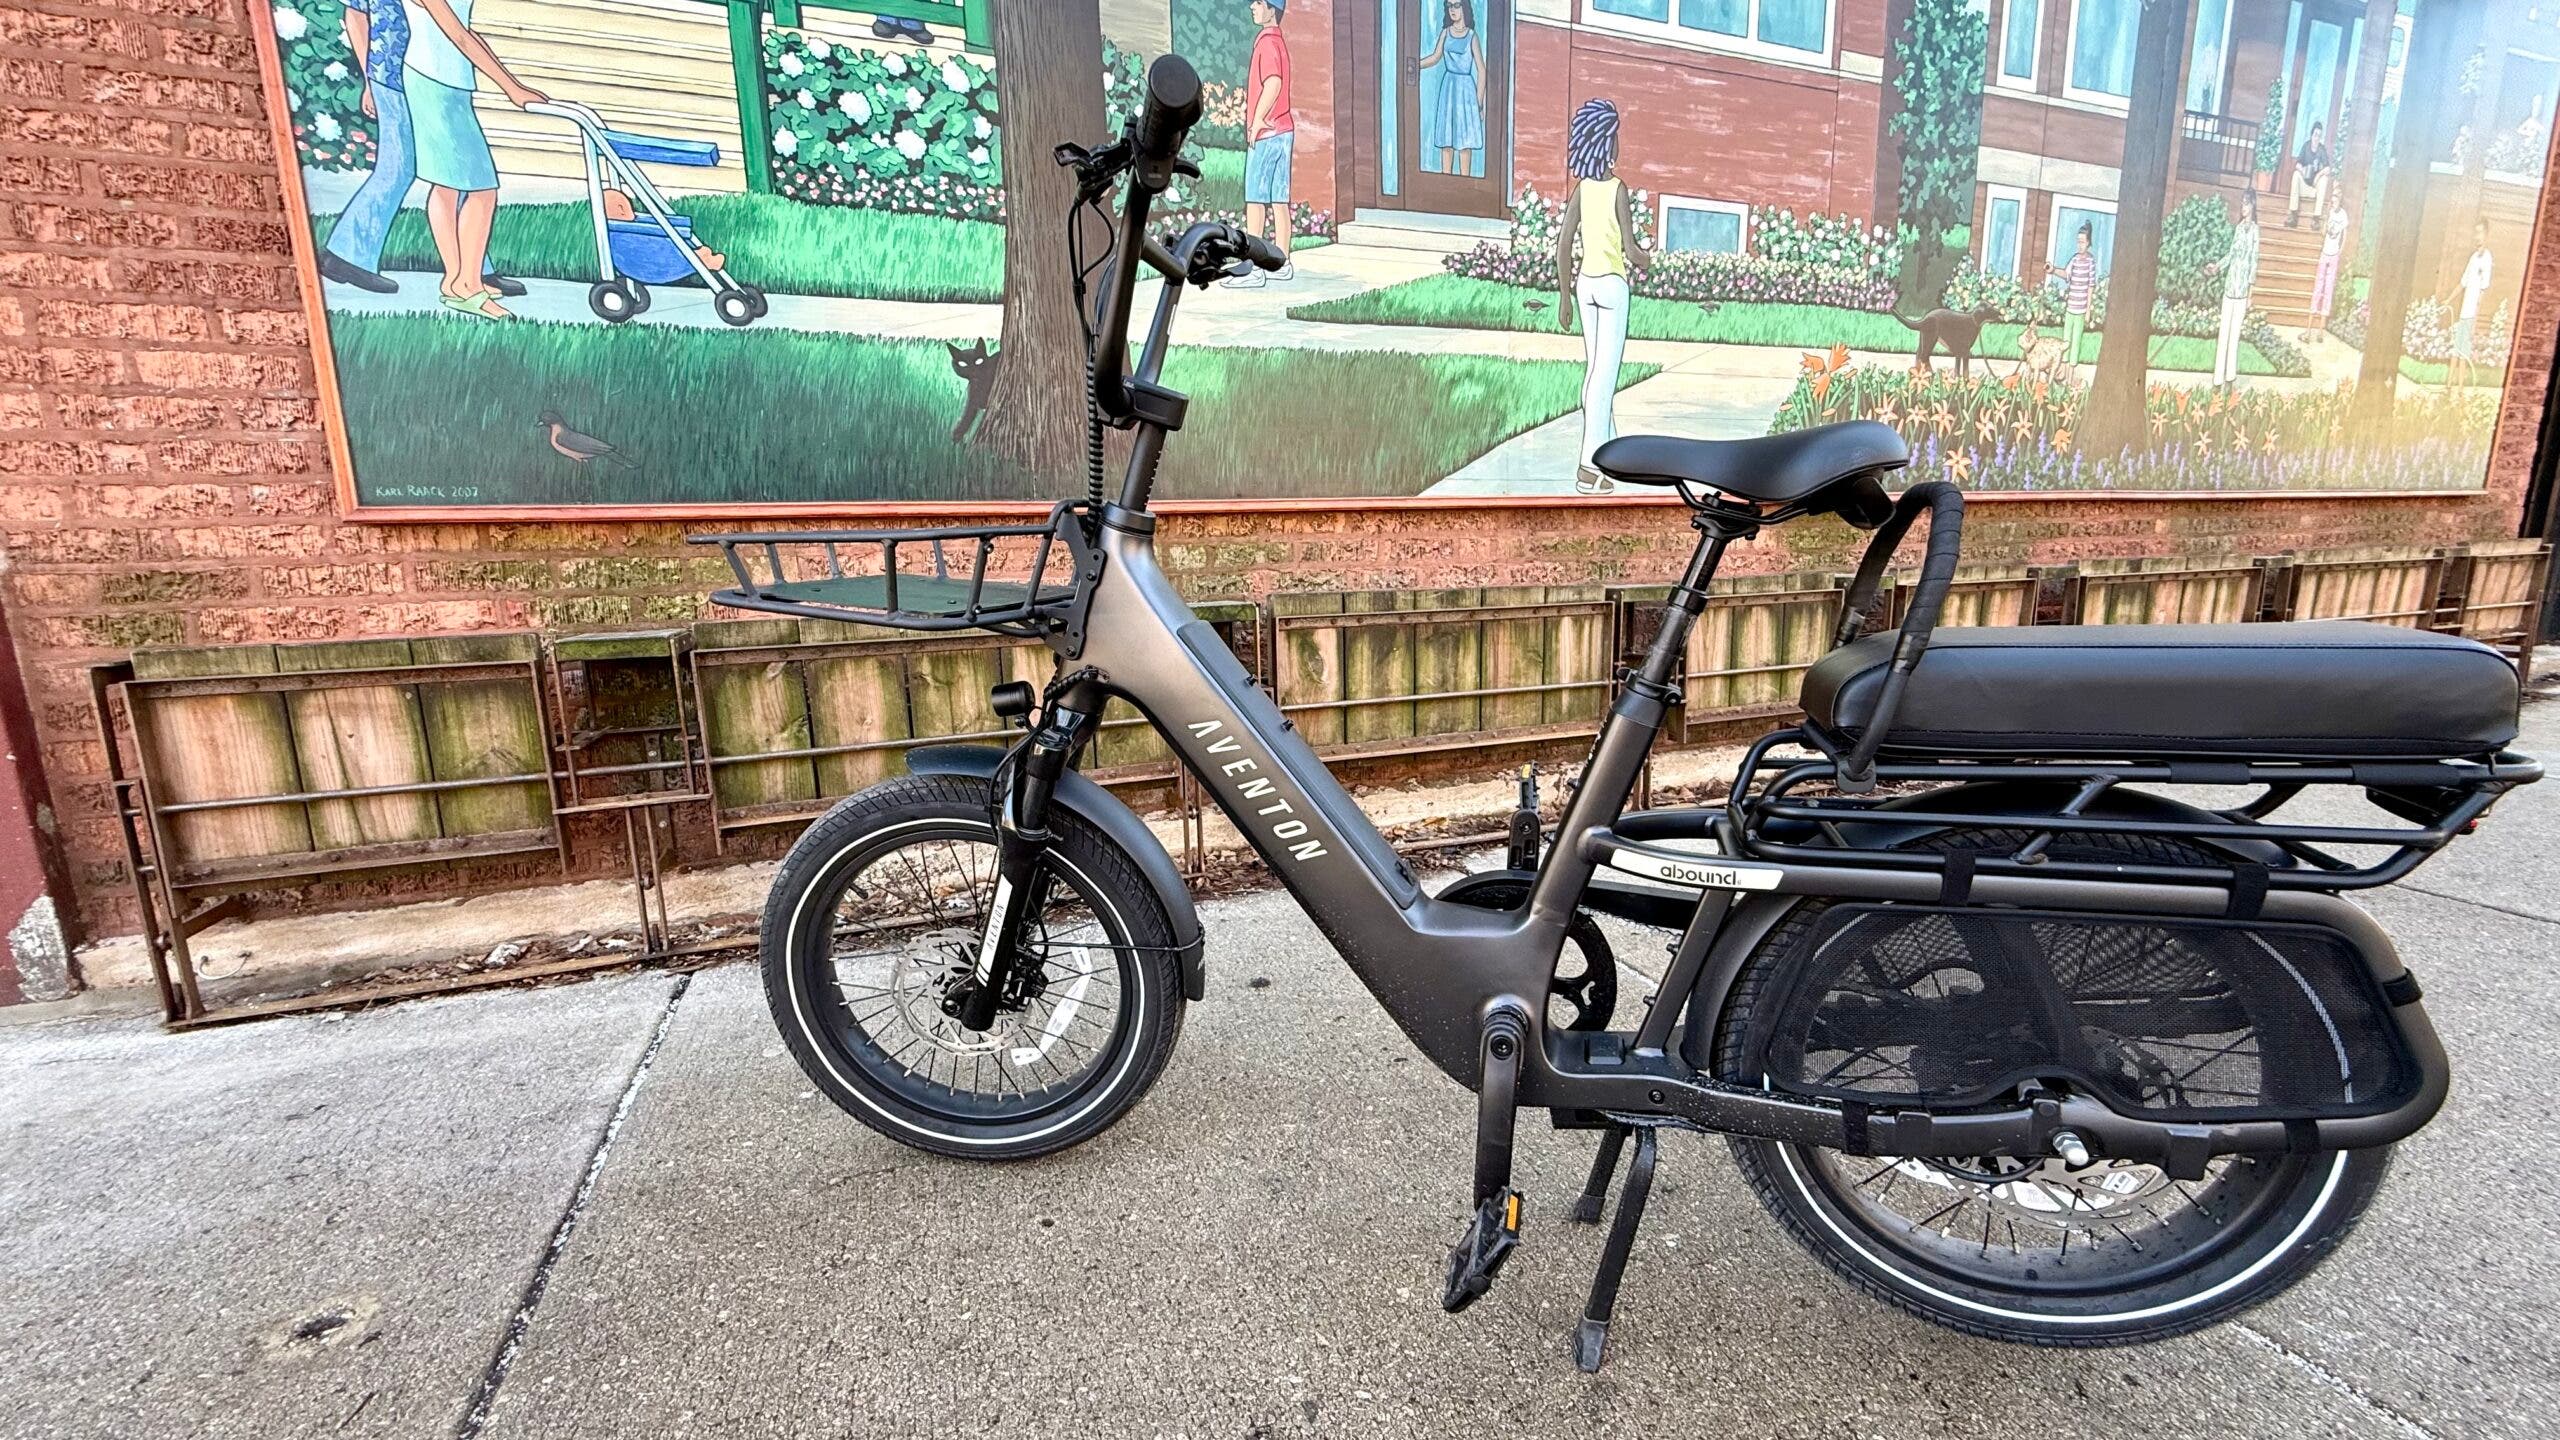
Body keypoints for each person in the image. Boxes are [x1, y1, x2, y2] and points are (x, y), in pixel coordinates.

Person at [402, 0, 545, 319]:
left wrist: (513, 85)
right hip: (435, 81)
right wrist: (512, 88)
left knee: (447, 186)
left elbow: (466, 32)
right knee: (482, 189)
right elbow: (459, 37)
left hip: (446, 81)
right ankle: (467, 284)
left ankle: (456, 281)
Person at [1554, 99, 1641, 496]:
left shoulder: (1582, 190)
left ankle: (1613, 460)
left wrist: (1564, 298)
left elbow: (1563, 245)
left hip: (1584, 286)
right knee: (1603, 379)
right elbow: (1630, 248)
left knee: (1594, 374)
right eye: (1616, 137)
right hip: (1611, 287)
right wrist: (1651, 261)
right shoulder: (1616, 190)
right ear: (1606, 144)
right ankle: (1589, 467)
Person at [1221, 0, 1295, 290]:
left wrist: (1257, 120)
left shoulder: (1265, 42)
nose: (1252, 6)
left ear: (1272, 9)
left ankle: (1253, 266)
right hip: (1285, 130)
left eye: (1259, 2)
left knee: (1255, 199)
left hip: (1267, 132)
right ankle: (1282, 262)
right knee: (1279, 200)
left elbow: (1273, 83)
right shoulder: (1279, 41)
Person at [1417, 0, 1485, 177]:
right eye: (1449, 6)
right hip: (1449, 88)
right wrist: (1413, 65)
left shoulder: (1471, 36)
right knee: (1446, 139)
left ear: (1465, 8)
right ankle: (1445, 181)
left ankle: (1465, 184)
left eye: (1456, 5)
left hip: (1466, 91)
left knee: (1465, 142)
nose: (1452, 10)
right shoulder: (1445, 33)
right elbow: (1435, 57)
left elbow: (1482, 70)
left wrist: (1478, 105)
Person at [2209, 189, 2260, 388]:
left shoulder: (2255, 231)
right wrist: (2217, 267)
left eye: (2247, 204)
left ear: (2253, 205)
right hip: (2229, 288)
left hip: (2241, 293)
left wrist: (2250, 294)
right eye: (2242, 204)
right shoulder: (2238, 228)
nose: (2243, 207)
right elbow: (2231, 255)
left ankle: (2230, 378)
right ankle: (2217, 380)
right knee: (2223, 335)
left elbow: (2254, 262)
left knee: (2234, 336)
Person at [2046, 222, 2099, 374]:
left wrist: (2088, 309)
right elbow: (2066, 274)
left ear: (2088, 243)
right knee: (2066, 341)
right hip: (2071, 308)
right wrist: (2053, 270)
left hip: (2081, 310)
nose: (2079, 245)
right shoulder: (2074, 260)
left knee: (2076, 341)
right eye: (2078, 242)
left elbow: (2091, 286)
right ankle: (2062, 371)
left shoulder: (2090, 262)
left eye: (2082, 242)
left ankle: (2070, 375)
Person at [2448, 222, 2494, 388]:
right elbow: (2462, 283)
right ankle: (2448, 385)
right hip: (2463, 312)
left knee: (2463, 353)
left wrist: (2475, 317)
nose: (2477, 237)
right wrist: (2448, 299)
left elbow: (2483, 290)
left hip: (2471, 315)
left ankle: (2459, 389)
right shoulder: (2473, 258)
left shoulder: (2487, 259)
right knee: (2456, 350)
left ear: (2486, 236)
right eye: (2476, 233)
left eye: (2480, 233)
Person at [2309, 202, 2350, 337]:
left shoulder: (2343, 214)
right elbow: (2323, 233)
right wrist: (2326, 218)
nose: (2334, 202)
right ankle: (2309, 329)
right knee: (2318, 287)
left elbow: (2344, 235)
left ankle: (2320, 332)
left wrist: (2340, 251)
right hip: (2325, 253)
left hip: (2334, 255)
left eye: (2337, 198)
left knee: (2328, 289)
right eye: (2333, 199)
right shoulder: (2329, 213)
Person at [2288, 120, 2330, 227]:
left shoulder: (2322, 149)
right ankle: (2293, 214)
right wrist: (2303, 171)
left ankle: (2316, 218)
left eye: (2319, 136)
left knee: (2324, 179)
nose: (2317, 138)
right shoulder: (2306, 146)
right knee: (2296, 175)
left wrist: (2318, 176)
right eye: (2315, 135)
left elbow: (2327, 168)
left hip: (2315, 188)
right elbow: (2297, 164)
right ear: (2311, 135)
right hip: (2304, 186)